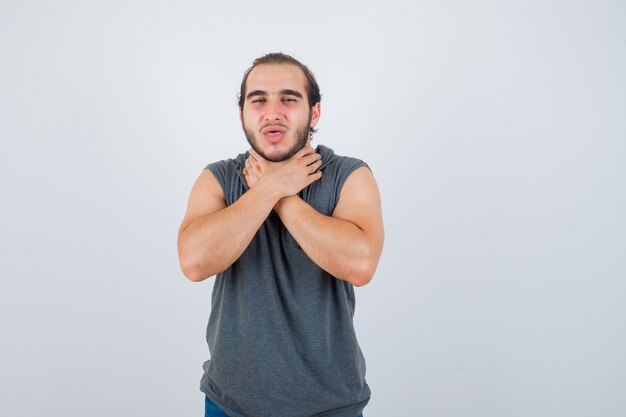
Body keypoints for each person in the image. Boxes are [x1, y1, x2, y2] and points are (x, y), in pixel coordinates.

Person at [177, 52, 384, 417]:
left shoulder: (349, 175)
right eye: (258, 100)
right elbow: (194, 263)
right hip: (230, 405)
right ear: (242, 114)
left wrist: (281, 197)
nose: (273, 112)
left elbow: (360, 264)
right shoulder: (219, 178)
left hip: (330, 405)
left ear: (314, 113)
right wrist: (266, 191)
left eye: (289, 99)